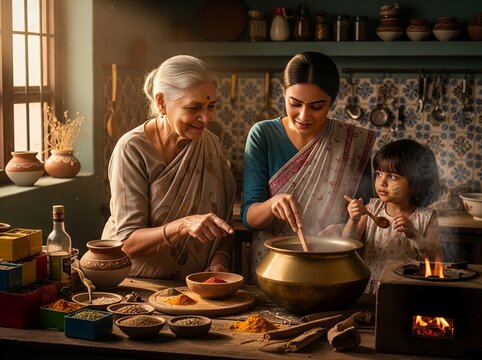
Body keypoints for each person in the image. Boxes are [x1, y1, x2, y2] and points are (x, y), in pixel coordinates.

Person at [241, 51, 377, 283]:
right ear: (283, 94)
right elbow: (249, 218)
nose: (304, 115)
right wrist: (273, 203)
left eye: (317, 106)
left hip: (333, 265)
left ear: (332, 101)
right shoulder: (263, 134)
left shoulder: (351, 141)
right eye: (294, 104)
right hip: (274, 266)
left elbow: (363, 217)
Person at [102, 55, 236, 280]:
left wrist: (219, 260)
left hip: (197, 288)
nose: (206, 118)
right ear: (162, 102)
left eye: (211, 106)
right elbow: (126, 243)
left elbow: (224, 222)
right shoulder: (132, 149)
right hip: (138, 286)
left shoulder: (210, 143)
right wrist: (183, 225)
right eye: (194, 108)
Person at [342, 139, 441, 294]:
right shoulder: (371, 210)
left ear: (415, 183)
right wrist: (353, 220)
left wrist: (414, 235)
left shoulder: (426, 217)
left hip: (407, 291)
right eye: (379, 174)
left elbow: (435, 258)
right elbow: (348, 245)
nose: (382, 182)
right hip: (369, 289)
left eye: (392, 177)